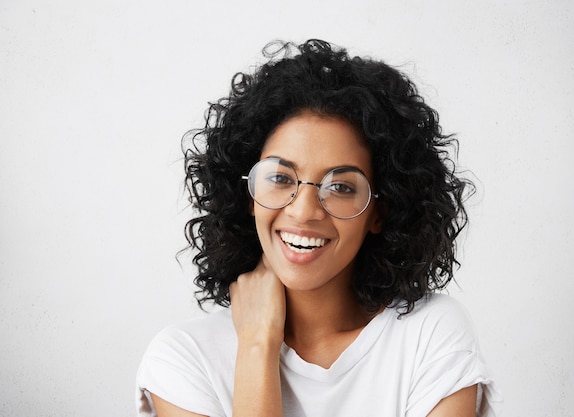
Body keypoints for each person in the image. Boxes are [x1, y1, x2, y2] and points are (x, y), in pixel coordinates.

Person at [136, 39, 501, 417]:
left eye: (341, 187)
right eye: (280, 177)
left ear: (380, 210)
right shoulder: (183, 359)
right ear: (248, 194)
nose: (305, 210)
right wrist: (257, 347)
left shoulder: (430, 335)